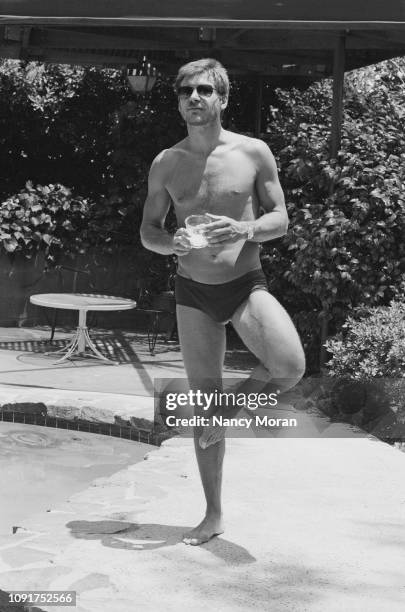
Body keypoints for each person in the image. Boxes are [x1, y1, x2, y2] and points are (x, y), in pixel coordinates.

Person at [140, 58, 305, 545]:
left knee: (289, 366)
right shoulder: (166, 162)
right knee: (200, 402)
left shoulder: (252, 153)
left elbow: (281, 218)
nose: (194, 97)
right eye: (186, 90)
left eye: (205, 90)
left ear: (223, 99)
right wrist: (170, 244)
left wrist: (245, 228)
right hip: (192, 293)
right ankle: (212, 514)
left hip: (244, 285)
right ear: (178, 100)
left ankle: (228, 411)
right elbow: (149, 230)